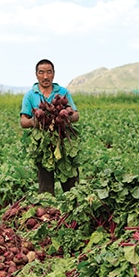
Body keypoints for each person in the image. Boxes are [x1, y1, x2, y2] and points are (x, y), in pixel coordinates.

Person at [20, 58, 80, 194]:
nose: (45, 76)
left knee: (71, 183)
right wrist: (33, 122)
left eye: (49, 72)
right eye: (41, 72)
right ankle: (47, 212)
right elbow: (23, 121)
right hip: (43, 144)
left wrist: (66, 116)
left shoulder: (63, 92)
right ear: (36, 74)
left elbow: (76, 115)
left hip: (63, 141)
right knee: (45, 186)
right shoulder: (30, 95)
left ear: (54, 73)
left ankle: (74, 207)